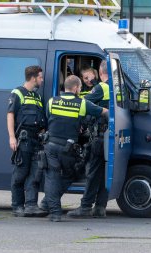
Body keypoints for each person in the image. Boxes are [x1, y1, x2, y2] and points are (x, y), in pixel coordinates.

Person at [44, 75, 108, 222]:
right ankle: (50, 205)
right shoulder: (82, 104)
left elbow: (49, 119)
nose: (80, 90)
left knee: (51, 178)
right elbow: (104, 112)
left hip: (51, 145)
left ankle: (54, 212)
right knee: (69, 175)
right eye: (79, 88)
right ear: (75, 88)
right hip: (68, 148)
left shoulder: (51, 101)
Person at [67, 60, 110, 218]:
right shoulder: (118, 87)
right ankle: (100, 207)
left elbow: (83, 105)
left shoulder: (102, 87)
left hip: (99, 137)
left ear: (99, 71)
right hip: (112, 135)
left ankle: (85, 207)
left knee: (92, 173)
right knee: (106, 173)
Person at [7, 65, 47, 217]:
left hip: (36, 140)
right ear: (33, 77)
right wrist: (12, 137)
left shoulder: (38, 97)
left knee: (35, 174)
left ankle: (31, 205)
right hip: (23, 140)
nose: (42, 80)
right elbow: (10, 115)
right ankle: (17, 206)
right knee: (20, 173)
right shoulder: (17, 92)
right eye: (40, 77)